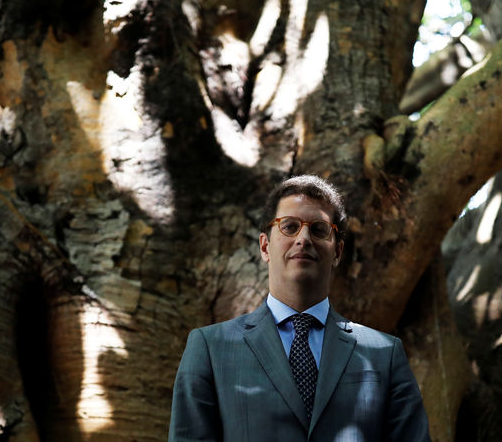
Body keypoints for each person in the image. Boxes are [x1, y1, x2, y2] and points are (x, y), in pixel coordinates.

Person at [169, 175, 431, 441]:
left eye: (318, 229)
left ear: (338, 252)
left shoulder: (384, 354)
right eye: (290, 226)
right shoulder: (210, 348)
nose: (303, 238)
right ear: (265, 246)